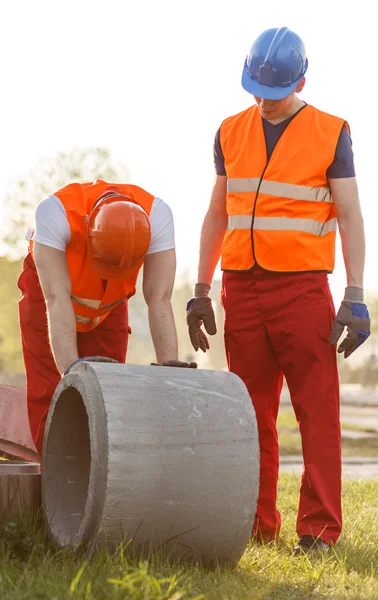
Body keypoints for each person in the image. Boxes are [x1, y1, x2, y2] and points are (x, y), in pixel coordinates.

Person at [186, 27, 371, 555]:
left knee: (317, 412)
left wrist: (355, 293)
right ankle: (256, 522)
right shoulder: (229, 131)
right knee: (250, 414)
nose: (263, 102)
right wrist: (202, 286)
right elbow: (217, 212)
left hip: (302, 291)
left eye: (274, 92)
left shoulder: (331, 131)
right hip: (240, 290)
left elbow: (351, 213)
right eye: (256, 91)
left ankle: (317, 532)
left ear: (301, 80)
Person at [18, 179, 196, 456]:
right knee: (52, 393)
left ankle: (103, 477)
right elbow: (56, 299)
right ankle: (60, 484)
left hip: (110, 302)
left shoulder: (158, 217)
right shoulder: (55, 214)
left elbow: (159, 299)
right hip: (50, 293)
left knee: (109, 391)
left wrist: (168, 370)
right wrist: (71, 372)